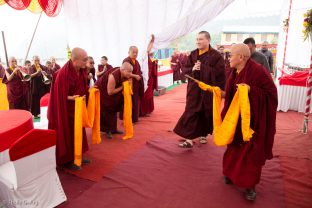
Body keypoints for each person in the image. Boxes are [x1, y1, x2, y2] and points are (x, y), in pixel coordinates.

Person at [222, 43, 277, 201]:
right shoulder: (234, 71)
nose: (228, 58)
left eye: (230, 55)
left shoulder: (258, 71)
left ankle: (249, 185)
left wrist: (251, 90)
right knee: (233, 148)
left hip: (253, 122)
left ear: (241, 57)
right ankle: (230, 174)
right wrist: (220, 94)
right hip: (235, 118)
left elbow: (271, 94)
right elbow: (232, 94)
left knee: (250, 153)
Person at [174, 31, 226, 147]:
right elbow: (185, 70)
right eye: (197, 39)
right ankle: (189, 139)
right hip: (194, 88)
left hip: (208, 89)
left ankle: (203, 134)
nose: (198, 41)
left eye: (201, 39)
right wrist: (193, 68)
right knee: (191, 111)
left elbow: (220, 73)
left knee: (206, 111)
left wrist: (202, 68)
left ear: (208, 40)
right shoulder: (192, 54)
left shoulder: (216, 56)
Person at [48, 47, 90, 170]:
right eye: (84, 60)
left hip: (77, 108)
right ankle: (67, 160)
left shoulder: (81, 71)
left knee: (78, 131)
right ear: (74, 60)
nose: (86, 62)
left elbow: (83, 87)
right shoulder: (63, 74)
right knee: (68, 133)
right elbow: (58, 96)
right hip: (65, 110)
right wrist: (71, 98)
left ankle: (78, 154)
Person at [95, 62, 139, 138]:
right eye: (129, 72)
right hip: (103, 92)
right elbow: (110, 92)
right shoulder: (113, 76)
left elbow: (129, 73)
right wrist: (122, 87)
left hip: (112, 91)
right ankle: (107, 131)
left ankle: (114, 129)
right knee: (107, 111)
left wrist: (134, 76)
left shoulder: (123, 71)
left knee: (113, 110)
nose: (130, 74)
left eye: (131, 72)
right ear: (122, 70)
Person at [123, 46, 144, 123]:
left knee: (135, 101)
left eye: (136, 53)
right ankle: (128, 119)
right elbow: (125, 72)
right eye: (133, 52)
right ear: (129, 52)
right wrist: (135, 76)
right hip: (129, 84)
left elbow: (139, 71)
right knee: (130, 102)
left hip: (136, 85)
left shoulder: (136, 61)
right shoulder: (126, 61)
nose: (135, 54)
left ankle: (134, 119)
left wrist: (140, 75)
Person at [140, 34, 158, 116]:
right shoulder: (145, 57)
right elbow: (147, 50)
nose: (152, 52)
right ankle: (144, 111)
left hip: (151, 79)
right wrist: (151, 41)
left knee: (149, 94)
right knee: (146, 94)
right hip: (145, 79)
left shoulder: (152, 58)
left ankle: (148, 110)